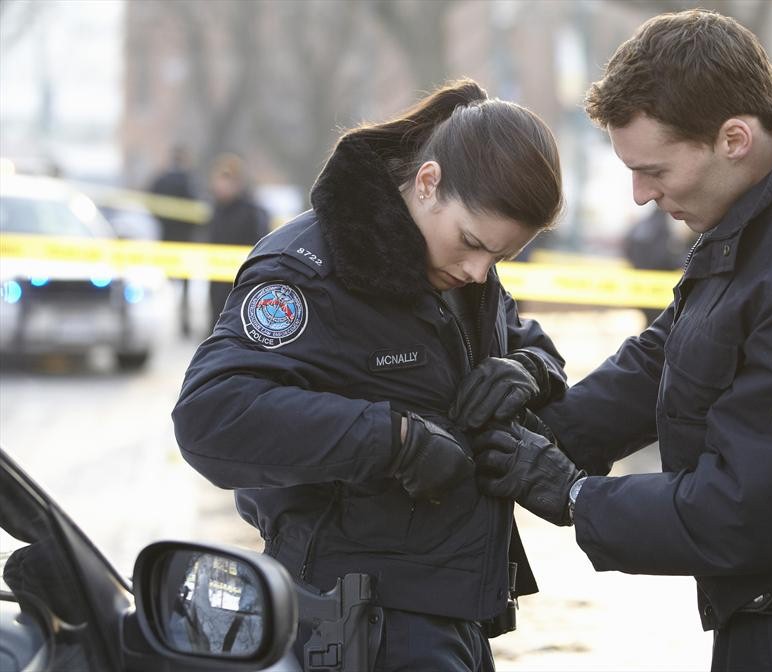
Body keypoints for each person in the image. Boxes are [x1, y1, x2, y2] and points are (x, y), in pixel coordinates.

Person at [471, 10, 772, 671]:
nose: (641, 195)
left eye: (654, 171)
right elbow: (678, 349)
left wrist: (574, 496)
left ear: (733, 137)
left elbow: (748, 508)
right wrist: (539, 433)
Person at [172, 79, 567, 671]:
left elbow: (529, 341)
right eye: (473, 245)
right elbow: (213, 416)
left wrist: (529, 369)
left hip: (451, 613)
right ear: (428, 182)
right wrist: (393, 441)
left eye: (500, 258)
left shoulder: (455, 268)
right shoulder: (310, 272)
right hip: (357, 621)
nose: (482, 272)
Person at [205, 153, 271, 327]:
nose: (220, 186)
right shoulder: (216, 209)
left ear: (237, 183)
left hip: (242, 280)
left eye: (226, 180)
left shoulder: (252, 212)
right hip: (216, 276)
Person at [149, 145, 198, 336]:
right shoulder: (190, 181)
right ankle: (183, 325)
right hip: (185, 241)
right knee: (184, 287)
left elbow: (151, 202)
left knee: (165, 285)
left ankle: (162, 325)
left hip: (166, 239)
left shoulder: (161, 180)